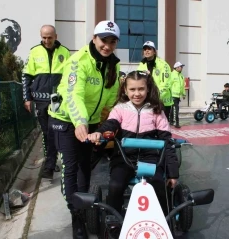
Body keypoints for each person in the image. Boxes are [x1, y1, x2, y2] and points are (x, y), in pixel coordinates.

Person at [48, 20, 121, 238]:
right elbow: (74, 95)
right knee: (71, 167)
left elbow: (112, 94)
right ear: (94, 38)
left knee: (85, 168)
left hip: (89, 121)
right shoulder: (78, 61)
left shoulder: (113, 65)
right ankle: (76, 217)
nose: (107, 46)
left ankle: (82, 206)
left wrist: (110, 117)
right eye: (103, 40)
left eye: (112, 42)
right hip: (66, 119)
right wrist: (80, 121)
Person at [87, 71, 179, 220]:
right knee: (115, 186)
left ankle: (163, 220)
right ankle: (113, 222)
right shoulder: (120, 109)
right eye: (132, 89)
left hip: (149, 159)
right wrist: (99, 133)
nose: (137, 93)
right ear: (125, 90)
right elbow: (110, 124)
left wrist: (172, 174)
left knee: (159, 185)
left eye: (141, 89)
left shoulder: (156, 110)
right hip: (124, 159)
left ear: (147, 89)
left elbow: (167, 142)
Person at [22, 25, 70, 179]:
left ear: (56, 36)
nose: (46, 40)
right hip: (40, 99)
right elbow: (26, 76)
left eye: (49, 37)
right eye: (44, 37)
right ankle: (50, 161)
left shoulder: (65, 52)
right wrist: (27, 98)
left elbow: (70, 77)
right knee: (47, 132)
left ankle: (49, 166)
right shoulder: (34, 51)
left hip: (57, 100)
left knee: (55, 131)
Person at [137, 41, 173, 120]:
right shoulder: (141, 65)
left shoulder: (163, 65)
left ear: (154, 51)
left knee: (162, 129)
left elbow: (165, 85)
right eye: (145, 49)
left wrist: (154, 98)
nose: (146, 51)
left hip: (162, 102)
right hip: (147, 102)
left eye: (149, 49)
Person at [170, 61, 186, 128]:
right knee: (175, 109)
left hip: (178, 96)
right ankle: (176, 123)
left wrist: (183, 94)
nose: (182, 68)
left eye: (182, 67)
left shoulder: (181, 76)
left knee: (174, 109)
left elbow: (182, 86)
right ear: (176, 68)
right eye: (181, 67)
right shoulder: (172, 74)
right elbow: (169, 85)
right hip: (173, 95)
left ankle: (171, 121)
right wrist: (169, 94)